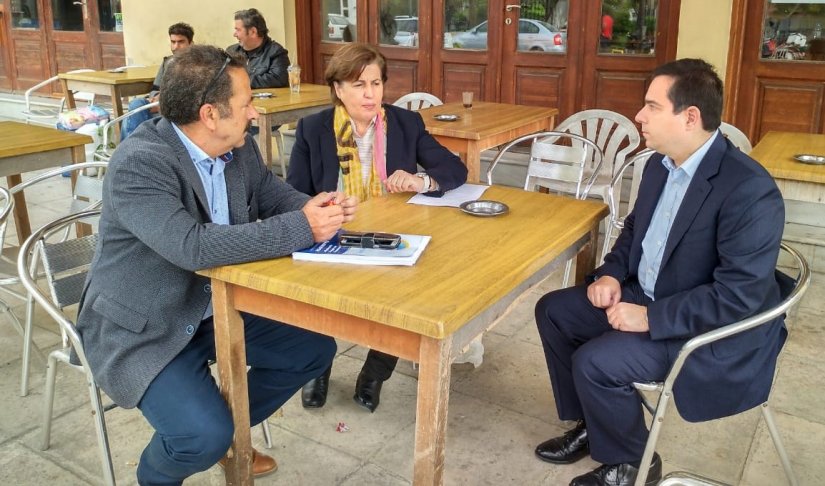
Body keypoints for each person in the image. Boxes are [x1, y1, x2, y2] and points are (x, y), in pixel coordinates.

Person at [75, 44, 358, 485]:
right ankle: (167, 468)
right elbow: (192, 247)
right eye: (247, 104)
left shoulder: (236, 146)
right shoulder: (140, 162)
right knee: (200, 435)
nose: (254, 113)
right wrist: (303, 227)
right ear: (210, 114)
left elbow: (272, 193)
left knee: (312, 351)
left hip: (215, 305)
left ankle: (226, 435)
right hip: (144, 323)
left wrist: (319, 208)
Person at [533, 58, 785, 486]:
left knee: (596, 362)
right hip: (647, 291)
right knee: (554, 311)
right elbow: (636, 230)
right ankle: (594, 425)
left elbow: (738, 296)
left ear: (690, 117)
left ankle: (635, 464)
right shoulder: (659, 164)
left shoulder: (749, 190)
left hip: (702, 327)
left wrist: (650, 317)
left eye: (652, 106)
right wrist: (611, 274)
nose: (639, 116)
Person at [287, 42, 468, 413]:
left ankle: (374, 373)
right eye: (359, 85)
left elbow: (454, 169)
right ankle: (316, 368)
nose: (370, 94)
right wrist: (320, 206)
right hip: (334, 233)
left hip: (391, 236)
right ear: (338, 89)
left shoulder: (405, 124)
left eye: (376, 83)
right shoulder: (313, 128)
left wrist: (421, 181)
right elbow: (293, 193)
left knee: (409, 293)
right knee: (310, 294)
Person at [121, 22, 194, 140]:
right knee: (136, 104)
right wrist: (155, 97)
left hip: (178, 110)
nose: (176, 46)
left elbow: (193, 94)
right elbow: (155, 88)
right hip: (158, 106)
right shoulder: (167, 62)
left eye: (181, 42)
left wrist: (164, 101)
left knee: (136, 115)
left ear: (191, 43)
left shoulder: (197, 65)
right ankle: (130, 146)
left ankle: (131, 146)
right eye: (173, 42)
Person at [227, 8, 289, 89]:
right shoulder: (231, 52)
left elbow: (279, 79)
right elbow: (221, 78)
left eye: (238, 30)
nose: (234, 34)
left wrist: (241, 81)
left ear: (253, 32)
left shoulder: (275, 52)